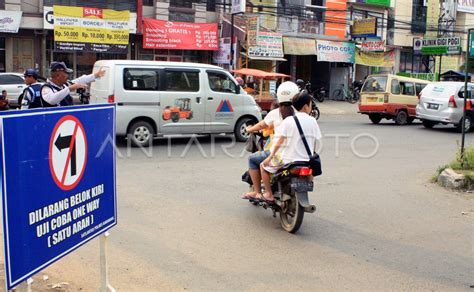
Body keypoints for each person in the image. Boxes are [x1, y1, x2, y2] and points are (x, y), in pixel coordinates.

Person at [259, 91, 322, 203]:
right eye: (311, 104)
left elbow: (279, 142)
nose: (311, 106)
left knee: (263, 166)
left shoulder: (288, 121)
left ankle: (268, 194)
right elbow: (316, 141)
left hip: (288, 160)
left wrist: (270, 157)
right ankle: (309, 181)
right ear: (306, 106)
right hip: (307, 161)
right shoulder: (313, 121)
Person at [241, 81, 299, 200]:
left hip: (280, 154)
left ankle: (258, 192)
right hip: (299, 154)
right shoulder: (301, 113)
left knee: (253, 159)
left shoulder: (275, 113)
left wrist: (249, 129)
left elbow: (261, 125)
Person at [40, 61, 106, 107]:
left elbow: (80, 80)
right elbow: (52, 100)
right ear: (58, 76)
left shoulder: (65, 84)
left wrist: (95, 75)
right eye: (66, 74)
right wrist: (69, 89)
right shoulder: (46, 88)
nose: (68, 76)